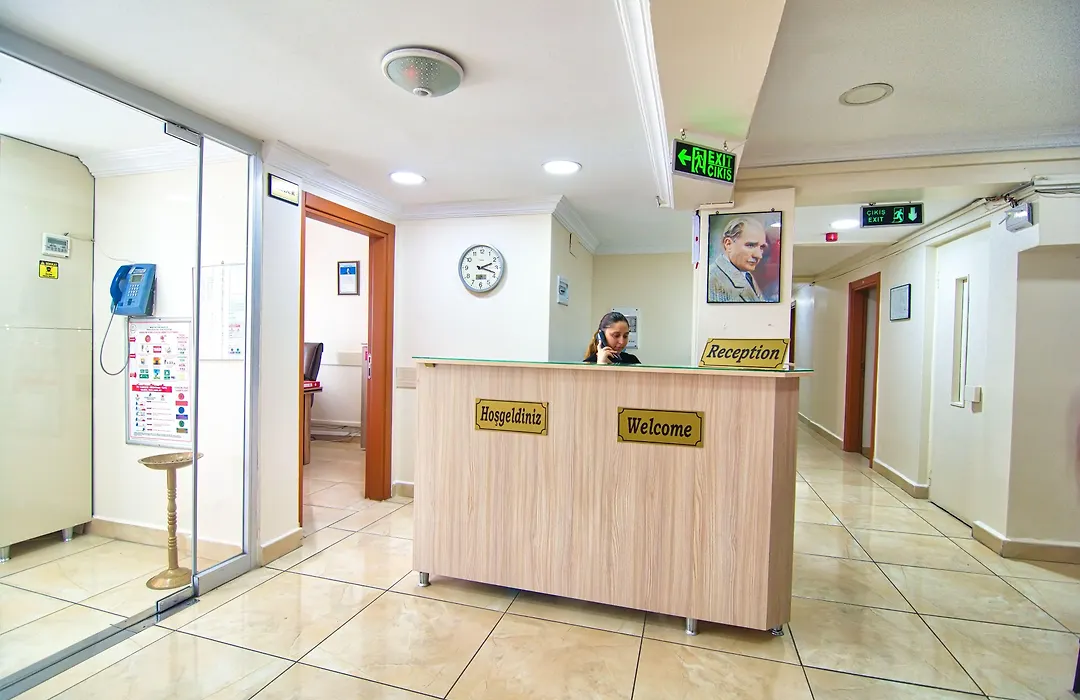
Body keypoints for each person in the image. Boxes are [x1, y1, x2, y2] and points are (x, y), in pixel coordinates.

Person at [708, 216, 770, 302]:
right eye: (750, 245)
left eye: (761, 247)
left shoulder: (747, 275)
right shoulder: (712, 280)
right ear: (728, 244)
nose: (759, 255)